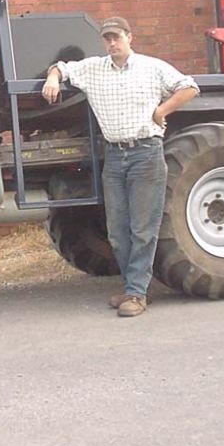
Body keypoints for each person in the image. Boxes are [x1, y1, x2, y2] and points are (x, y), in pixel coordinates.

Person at [42, 16, 199, 317]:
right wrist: (52, 78)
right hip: (114, 156)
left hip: (146, 153)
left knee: (143, 228)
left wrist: (161, 110)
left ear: (130, 37)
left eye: (117, 37)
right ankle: (132, 288)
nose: (112, 43)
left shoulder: (152, 67)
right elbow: (62, 67)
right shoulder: (93, 69)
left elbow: (189, 87)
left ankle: (137, 294)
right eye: (107, 39)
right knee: (116, 230)